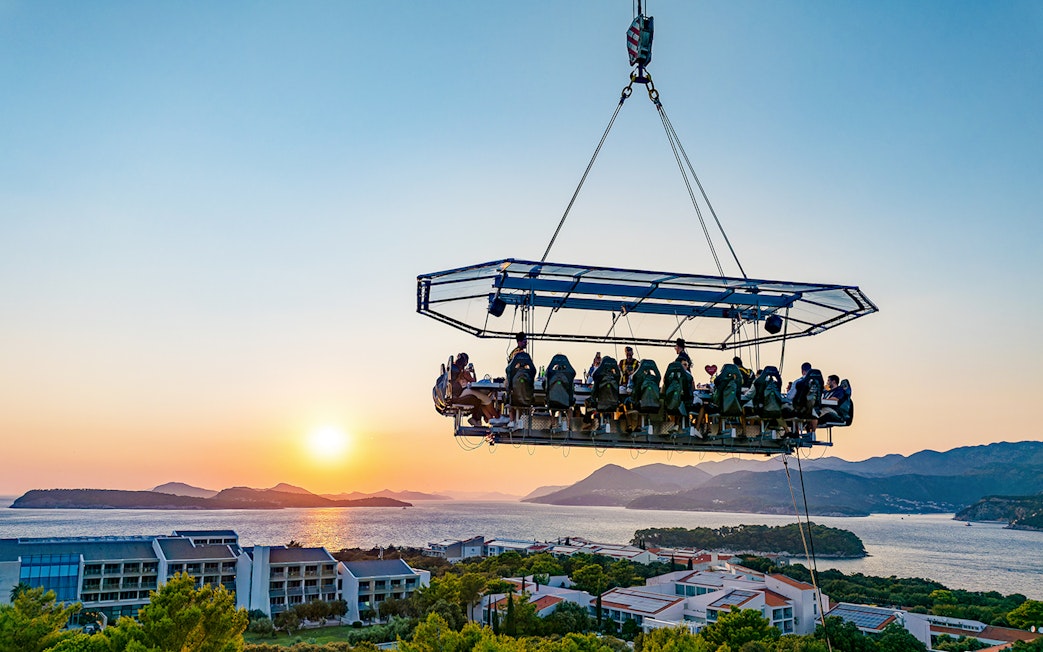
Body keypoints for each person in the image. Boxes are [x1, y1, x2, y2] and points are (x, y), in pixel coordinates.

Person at [450, 353, 497, 426]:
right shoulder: (464, 372)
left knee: (481, 400)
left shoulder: (454, 369)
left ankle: (490, 418)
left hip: (458, 393)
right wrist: (473, 372)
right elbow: (473, 381)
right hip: (464, 391)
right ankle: (498, 417)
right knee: (486, 399)